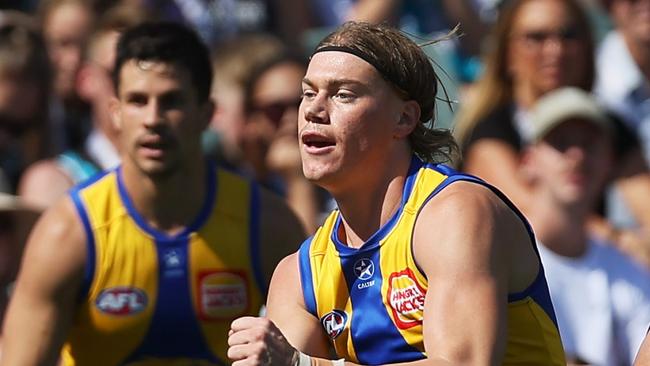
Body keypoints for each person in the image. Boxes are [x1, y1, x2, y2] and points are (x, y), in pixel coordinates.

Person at [227, 21, 566, 365]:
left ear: (404, 118)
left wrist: (304, 364)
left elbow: (461, 364)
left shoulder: (455, 213)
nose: (313, 110)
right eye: (309, 93)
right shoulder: (297, 276)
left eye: (343, 94)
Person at [1, 21, 305, 365]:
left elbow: (310, 355)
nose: (153, 118)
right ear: (115, 113)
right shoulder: (68, 232)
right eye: (137, 100)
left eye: (171, 101)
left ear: (206, 114)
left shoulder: (266, 224)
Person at [521, 87, 650, 365]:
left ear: (610, 162)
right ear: (529, 160)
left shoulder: (629, 271)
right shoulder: (501, 257)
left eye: (590, 144)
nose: (577, 156)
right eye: (561, 143)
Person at [18, 5, 149, 209]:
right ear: (86, 80)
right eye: (116, 74)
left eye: (148, 74)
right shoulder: (57, 184)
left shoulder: (196, 180)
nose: (135, 89)